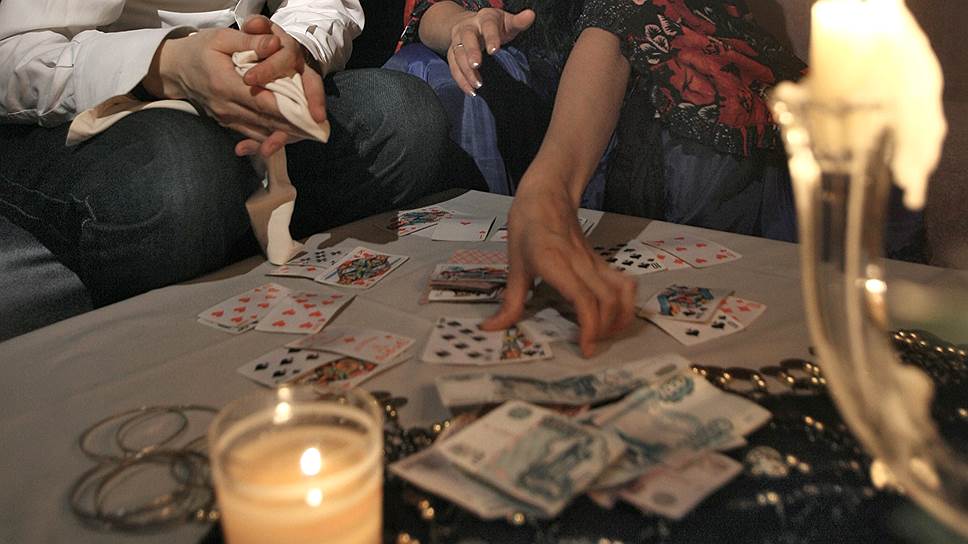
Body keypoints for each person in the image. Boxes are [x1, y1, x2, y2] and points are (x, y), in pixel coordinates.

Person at [0, 0, 481, 309]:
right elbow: (11, 52)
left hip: (242, 78)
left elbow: (319, 5)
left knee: (406, 115)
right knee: (181, 175)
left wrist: (292, 50)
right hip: (87, 107)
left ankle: (220, 223)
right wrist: (164, 65)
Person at [400, 0, 808, 355]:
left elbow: (615, 20)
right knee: (432, 71)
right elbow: (429, 9)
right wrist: (461, 24)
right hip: (538, 81)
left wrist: (548, 192)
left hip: (671, 93)